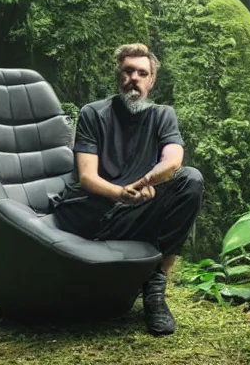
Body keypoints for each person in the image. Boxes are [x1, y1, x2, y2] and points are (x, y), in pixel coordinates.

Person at [53, 43, 204, 336]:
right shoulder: (93, 114)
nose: (134, 77)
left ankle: (156, 290)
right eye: (128, 71)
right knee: (120, 199)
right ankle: (143, 285)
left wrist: (148, 182)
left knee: (191, 181)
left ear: (152, 80)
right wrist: (121, 193)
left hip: (132, 210)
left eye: (141, 72)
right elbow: (86, 176)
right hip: (91, 212)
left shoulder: (163, 115)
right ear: (118, 75)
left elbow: (173, 160)